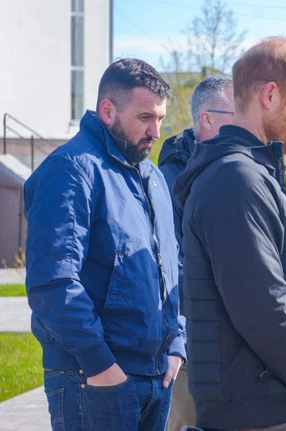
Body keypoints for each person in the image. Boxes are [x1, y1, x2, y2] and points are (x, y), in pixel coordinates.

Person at [173, 37, 286, 431]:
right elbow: (265, 310)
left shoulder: (250, 173)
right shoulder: (236, 180)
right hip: (258, 414)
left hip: (268, 408)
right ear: (269, 94)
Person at [24, 58, 186, 430]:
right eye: (145, 118)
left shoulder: (153, 177)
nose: (156, 131)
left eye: (160, 118)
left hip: (156, 377)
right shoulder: (70, 170)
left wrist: (177, 344)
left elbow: (172, 267)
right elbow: (53, 281)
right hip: (93, 380)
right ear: (107, 110)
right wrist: (100, 364)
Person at [158, 75, 234, 431]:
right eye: (237, 114)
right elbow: (169, 269)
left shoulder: (249, 170)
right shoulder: (169, 182)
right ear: (207, 119)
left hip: (241, 354)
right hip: (191, 352)